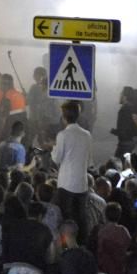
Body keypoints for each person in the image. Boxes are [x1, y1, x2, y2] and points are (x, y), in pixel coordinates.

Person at [52, 100, 92, 243]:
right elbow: (88, 158)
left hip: (66, 183)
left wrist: (53, 149)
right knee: (81, 217)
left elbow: (57, 158)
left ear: (64, 117)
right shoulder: (87, 134)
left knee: (67, 218)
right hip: (82, 182)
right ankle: (82, 245)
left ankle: (67, 246)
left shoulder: (62, 135)